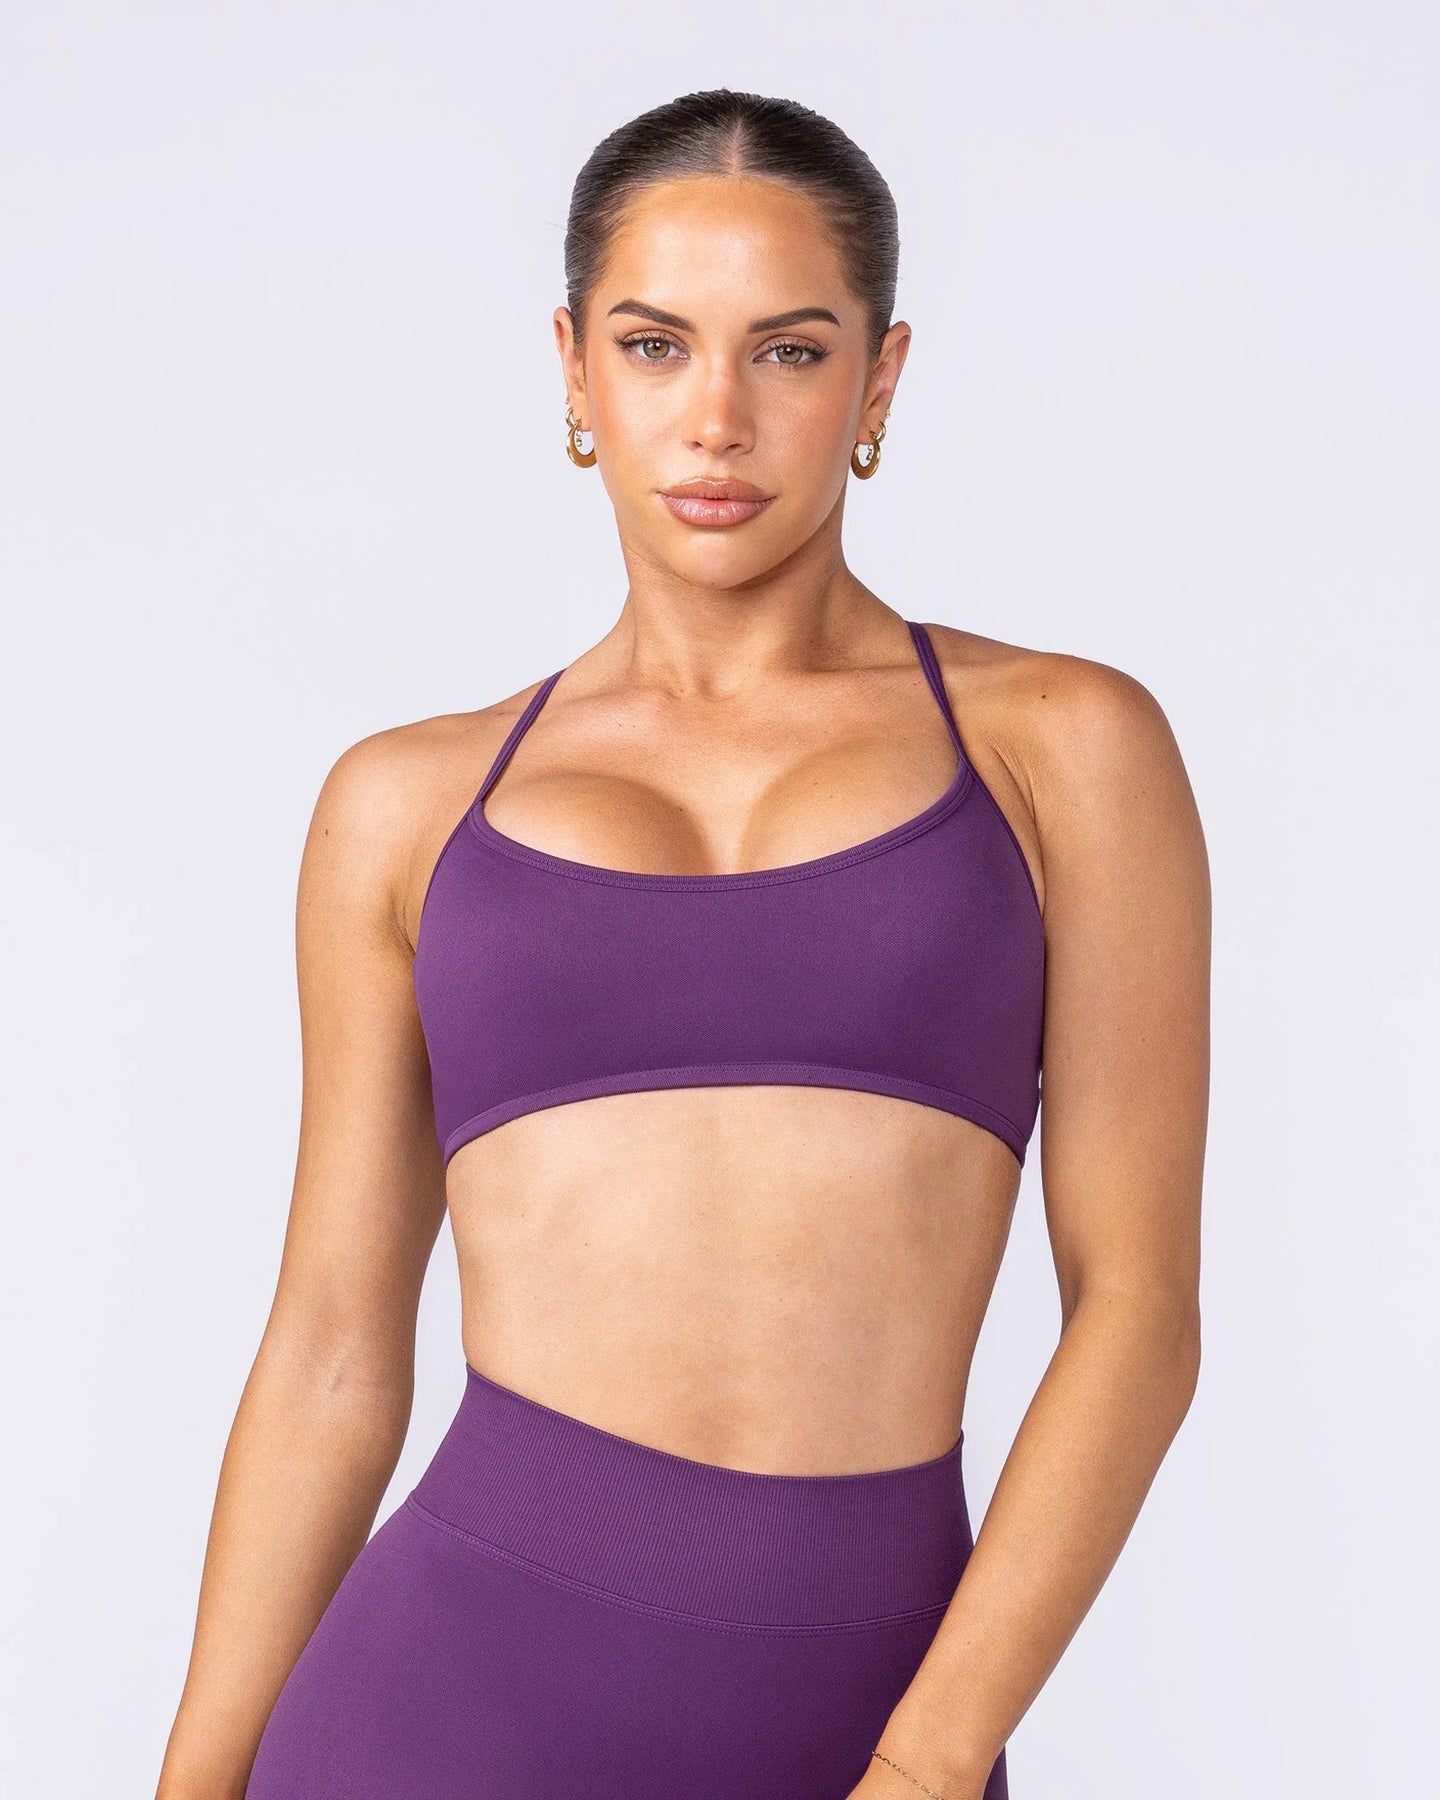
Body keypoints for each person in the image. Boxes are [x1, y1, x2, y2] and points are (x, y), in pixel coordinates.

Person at [156, 87, 1209, 1800]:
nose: (717, 419)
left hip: (875, 1726)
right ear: (576, 373)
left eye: (789, 352)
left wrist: (932, 1764)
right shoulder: (407, 804)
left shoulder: (1061, 748)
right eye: (655, 346)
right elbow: (333, 1352)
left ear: (880, 382)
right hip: (442, 1714)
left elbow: (1140, 1308)